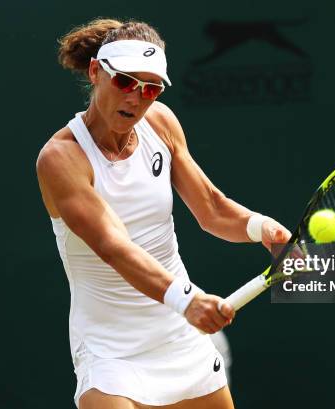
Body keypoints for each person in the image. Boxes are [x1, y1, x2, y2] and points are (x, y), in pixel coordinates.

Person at [36, 18, 291, 409]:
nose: (136, 98)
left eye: (151, 88)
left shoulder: (161, 122)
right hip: (111, 351)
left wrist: (263, 228)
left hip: (179, 336)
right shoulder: (61, 158)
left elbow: (211, 207)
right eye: (125, 82)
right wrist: (187, 299)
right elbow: (114, 247)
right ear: (95, 72)